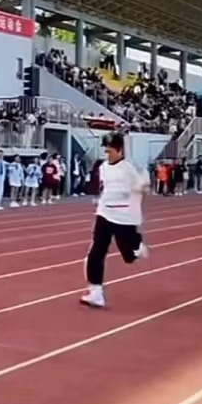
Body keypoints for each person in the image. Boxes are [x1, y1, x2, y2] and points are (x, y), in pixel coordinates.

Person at [80, 132, 151, 309]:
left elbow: (144, 187)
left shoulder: (130, 168)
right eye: (105, 151)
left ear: (119, 150)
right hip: (104, 213)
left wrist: (140, 191)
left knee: (129, 257)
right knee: (96, 251)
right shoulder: (103, 167)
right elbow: (106, 187)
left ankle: (137, 244)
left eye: (109, 151)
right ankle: (96, 292)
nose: (107, 154)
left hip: (124, 217)